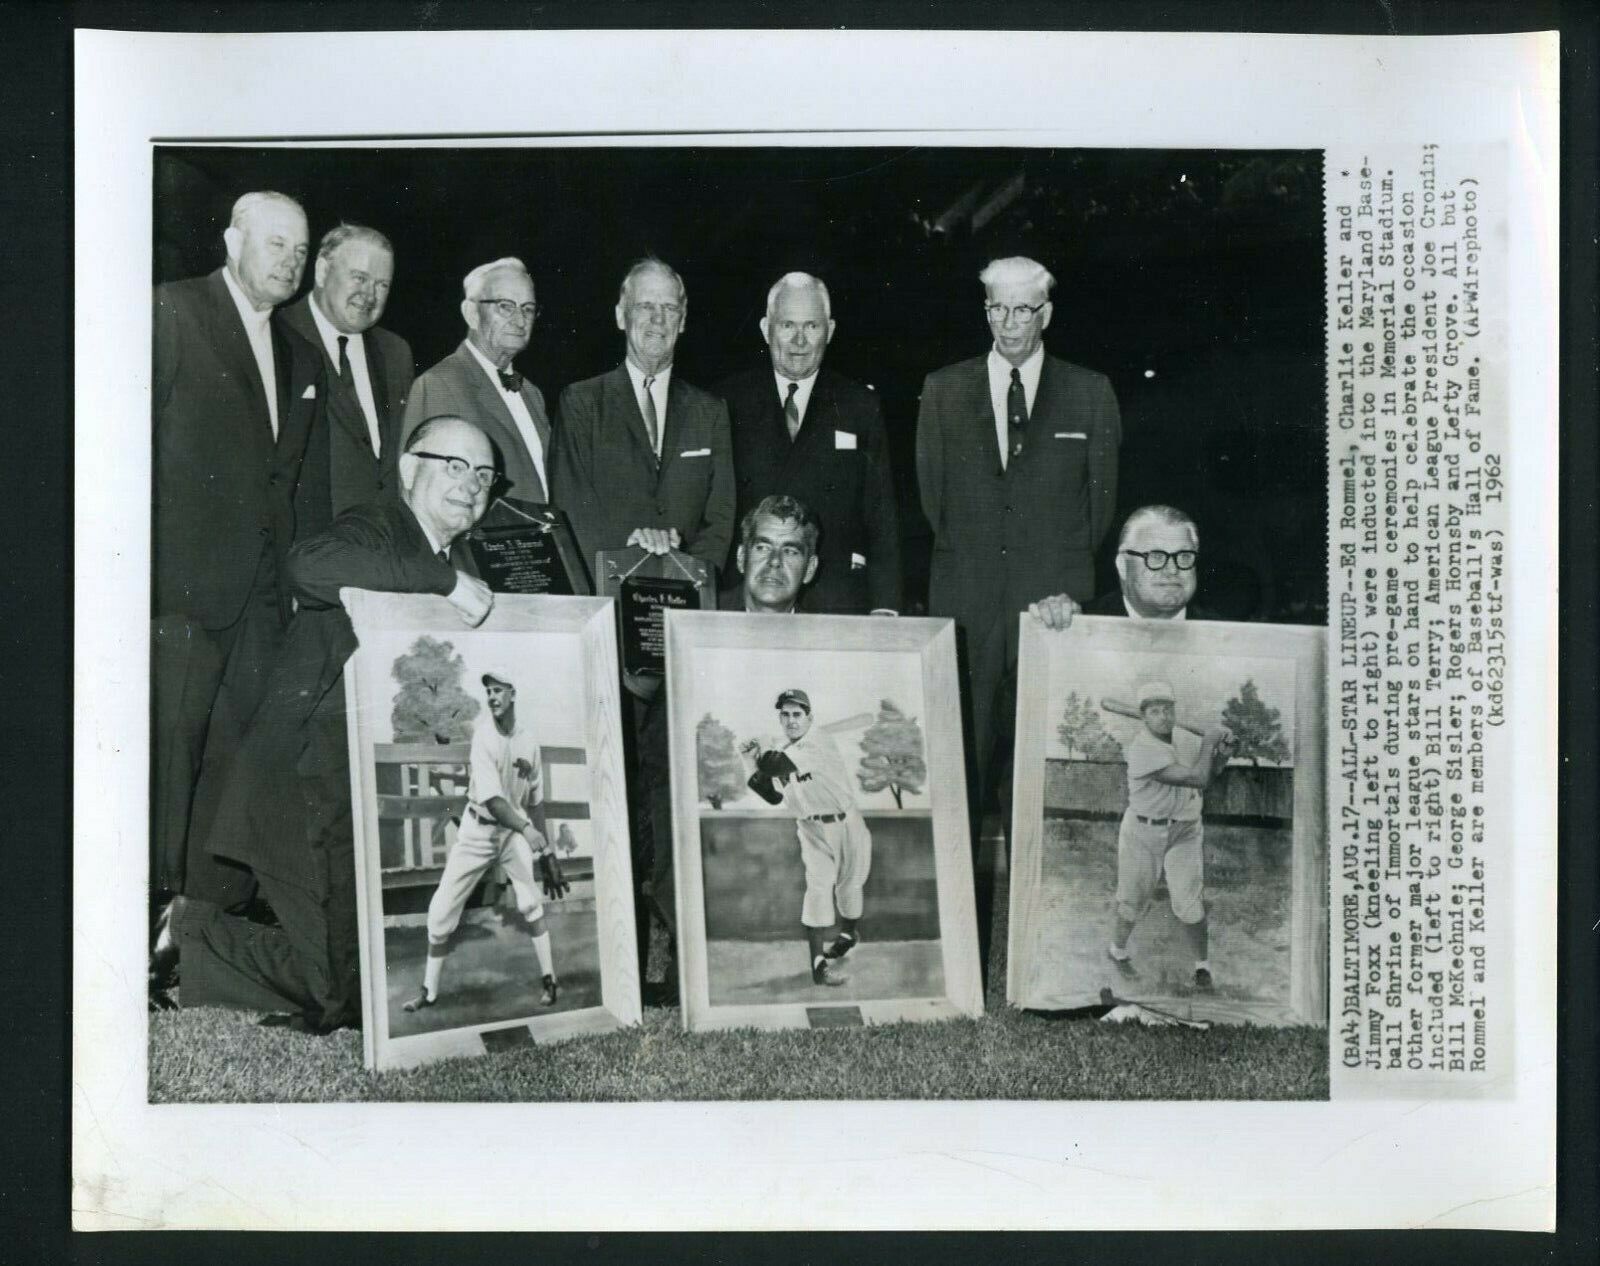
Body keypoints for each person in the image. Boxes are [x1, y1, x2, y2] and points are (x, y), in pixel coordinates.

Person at [151, 417, 499, 1033]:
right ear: (409, 469)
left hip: (365, 790)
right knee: (349, 994)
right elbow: (306, 566)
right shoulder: (379, 526)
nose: (471, 485)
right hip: (299, 782)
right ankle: (187, 928)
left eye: (484, 474)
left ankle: (199, 932)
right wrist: (443, 582)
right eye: (454, 465)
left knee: (375, 986)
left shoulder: (460, 554)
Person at [151, 189, 325, 964]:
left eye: (298, 249)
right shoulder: (172, 312)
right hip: (180, 591)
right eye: (274, 243)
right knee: (165, 756)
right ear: (232, 240)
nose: (287, 260)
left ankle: (201, 931)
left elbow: (282, 482)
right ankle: (139, 924)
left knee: (236, 759)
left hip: (259, 597)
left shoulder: (298, 352)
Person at [915, 255, 1122, 831]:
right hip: (967, 604)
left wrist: (1058, 577)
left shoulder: (1090, 393)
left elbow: (1098, 510)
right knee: (962, 769)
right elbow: (936, 505)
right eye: (997, 309)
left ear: (1046, 314)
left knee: (1043, 773)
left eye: (1022, 310)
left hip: (1053, 609)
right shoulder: (942, 390)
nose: (1008, 323)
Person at [634, 494, 822, 1004]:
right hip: (706, 789)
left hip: (779, 795)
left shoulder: (828, 643)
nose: (774, 564)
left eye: (792, 551)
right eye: (762, 547)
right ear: (740, 557)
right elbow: (657, 752)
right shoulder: (691, 625)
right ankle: (688, 948)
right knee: (669, 786)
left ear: (811, 568)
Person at [716, 272, 901, 614]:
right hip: (749, 596)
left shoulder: (859, 405)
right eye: (787, 325)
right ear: (765, 328)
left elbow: (881, 515)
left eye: (812, 327)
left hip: (835, 598)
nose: (799, 340)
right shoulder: (727, 401)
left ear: (829, 331)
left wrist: (886, 606)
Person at [553, 258, 734, 577]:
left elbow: (719, 518)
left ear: (683, 320)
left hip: (686, 591)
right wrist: (628, 553)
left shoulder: (710, 411)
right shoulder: (581, 403)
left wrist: (692, 576)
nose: (658, 319)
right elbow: (571, 507)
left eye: (669, 308)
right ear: (621, 315)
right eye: (645, 306)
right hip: (608, 586)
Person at [404, 668, 569, 1013]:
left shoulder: (529, 741)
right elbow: (494, 801)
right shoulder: (484, 738)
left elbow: (535, 802)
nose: (492, 697)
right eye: (488, 691)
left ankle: (550, 980)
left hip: (511, 835)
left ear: (513, 693)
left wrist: (547, 853)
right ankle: (428, 991)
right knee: (439, 913)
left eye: (498, 690)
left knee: (530, 903)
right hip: (478, 829)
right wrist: (528, 831)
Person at [282, 223, 416, 523]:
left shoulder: (396, 352)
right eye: (359, 277)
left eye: (382, 284)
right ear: (321, 271)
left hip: (384, 539)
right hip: (309, 543)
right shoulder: (279, 337)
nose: (369, 295)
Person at [741, 688, 873, 988]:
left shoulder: (818, 742)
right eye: (785, 714)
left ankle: (849, 932)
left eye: (797, 714)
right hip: (810, 830)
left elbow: (774, 764)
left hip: (846, 823)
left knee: (849, 889)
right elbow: (773, 795)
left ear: (809, 717)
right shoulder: (785, 746)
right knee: (817, 889)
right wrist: (750, 762)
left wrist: (760, 752)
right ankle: (819, 966)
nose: (791, 720)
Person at [1107, 681, 1234, 992]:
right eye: (1154, 711)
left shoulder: (1186, 739)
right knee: (1132, 902)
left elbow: (1210, 772)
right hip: (1142, 832)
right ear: (1144, 716)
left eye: (1167, 709)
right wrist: (1210, 743)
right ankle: (1117, 952)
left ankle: (1202, 967)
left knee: (1190, 905)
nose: (1163, 716)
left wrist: (1224, 754)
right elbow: (1197, 778)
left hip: (1186, 831)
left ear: (1174, 710)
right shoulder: (1141, 750)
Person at [402, 257, 553, 503]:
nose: (519, 320)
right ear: (471, 313)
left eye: (527, 308)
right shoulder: (440, 384)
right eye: (505, 306)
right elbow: (423, 495)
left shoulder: (531, 393)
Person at [1028, 505, 1213, 629]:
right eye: (1156, 557)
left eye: (1184, 556)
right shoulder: (1077, 623)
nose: (1173, 569)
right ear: (1123, 566)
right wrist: (1047, 633)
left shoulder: (1227, 635)